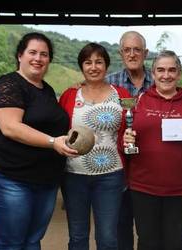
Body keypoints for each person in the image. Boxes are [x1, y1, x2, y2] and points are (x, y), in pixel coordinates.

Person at [0, 32, 77, 250]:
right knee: (9, 241)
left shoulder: (47, 90)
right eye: (32, 52)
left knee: (32, 240)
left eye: (44, 54)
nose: (38, 58)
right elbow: (10, 127)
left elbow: (50, 123)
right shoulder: (9, 84)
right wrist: (52, 142)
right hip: (7, 173)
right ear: (20, 55)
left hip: (44, 177)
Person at [123, 50, 182, 250]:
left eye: (172, 70)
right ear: (152, 74)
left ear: (179, 74)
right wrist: (125, 140)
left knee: (175, 243)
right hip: (143, 186)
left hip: (178, 189)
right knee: (147, 242)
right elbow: (125, 138)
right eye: (160, 70)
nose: (166, 75)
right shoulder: (139, 101)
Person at [59, 43, 131, 250]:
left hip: (111, 175)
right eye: (88, 62)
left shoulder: (122, 94)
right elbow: (57, 128)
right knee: (78, 236)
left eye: (99, 62)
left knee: (108, 238)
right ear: (81, 67)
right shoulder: (70, 95)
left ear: (106, 65)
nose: (93, 67)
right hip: (74, 174)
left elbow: (132, 123)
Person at [106, 31, 153, 250]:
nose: (132, 54)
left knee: (149, 229)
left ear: (146, 53)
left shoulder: (160, 81)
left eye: (137, 50)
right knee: (120, 226)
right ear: (120, 53)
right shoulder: (108, 84)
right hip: (118, 165)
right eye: (127, 50)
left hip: (150, 166)